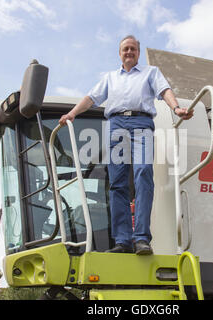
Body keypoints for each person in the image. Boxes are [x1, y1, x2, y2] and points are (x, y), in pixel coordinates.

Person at [59, 35, 193, 255]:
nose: (129, 52)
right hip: (116, 125)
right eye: (125, 49)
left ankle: (141, 238)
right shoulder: (110, 78)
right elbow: (91, 98)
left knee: (143, 174)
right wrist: (72, 113)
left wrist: (176, 107)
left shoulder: (151, 73)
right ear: (119, 53)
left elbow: (164, 91)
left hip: (141, 123)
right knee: (118, 182)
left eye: (133, 49)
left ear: (138, 53)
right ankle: (122, 240)